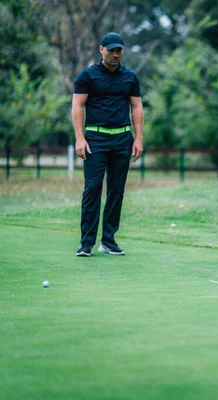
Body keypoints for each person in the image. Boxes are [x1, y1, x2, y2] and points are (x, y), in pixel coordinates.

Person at [72, 32, 144, 257]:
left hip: (123, 138)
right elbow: (77, 106)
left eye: (119, 50)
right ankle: (86, 243)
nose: (115, 54)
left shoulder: (130, 77)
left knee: (116, 190)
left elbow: (137, 108)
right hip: (95, 139)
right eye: (111, 50)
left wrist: (139, 138)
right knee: (92, 188)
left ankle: (109, 241)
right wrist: (79, 137)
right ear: (101, 49)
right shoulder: (87, 76)